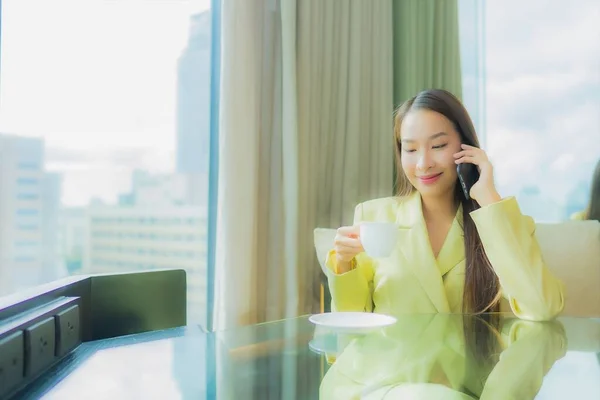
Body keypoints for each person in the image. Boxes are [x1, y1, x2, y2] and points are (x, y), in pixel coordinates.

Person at [325, 89, 564, 321]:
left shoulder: (500, 221)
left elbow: (543, 308)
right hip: (393, 361)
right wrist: (344, 264)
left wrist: (487, 197)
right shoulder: (373, 216)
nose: (423, 164)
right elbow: (351, 323)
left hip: (474, 362)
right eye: (410, 149)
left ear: (466, 147)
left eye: (438, 146)